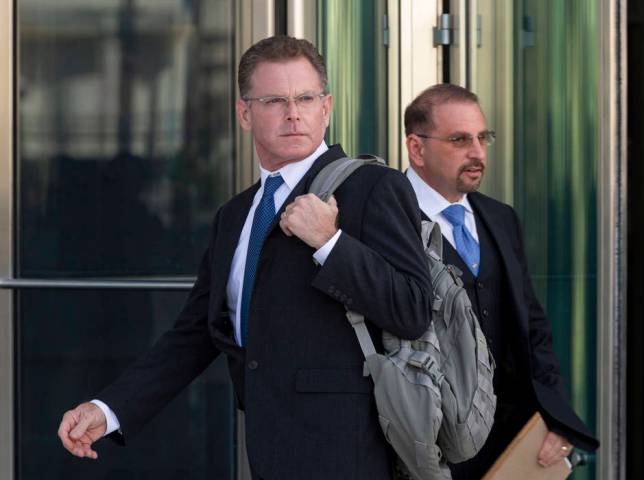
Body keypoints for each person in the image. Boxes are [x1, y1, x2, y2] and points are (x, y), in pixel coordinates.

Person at [57, 36, 432, 480]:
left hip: (350, 453)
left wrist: (331, 242)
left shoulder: (373, 188)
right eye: (275, 100)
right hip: (267, 447)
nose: (293, 113)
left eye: (306, 98)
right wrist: (108, 409)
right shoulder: (235, 215)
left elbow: (412, 309)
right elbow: (194, 334)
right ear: (244, 113)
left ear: (326, 107)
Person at [403, 84, 599, 478]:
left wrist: (555, 416)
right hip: (425, 444)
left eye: (483, 137)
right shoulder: (386, 219)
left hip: (510, 442)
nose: (477, 153)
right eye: (459, 139)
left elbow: (532, 328)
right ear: (417, 148)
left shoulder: (500, 217)